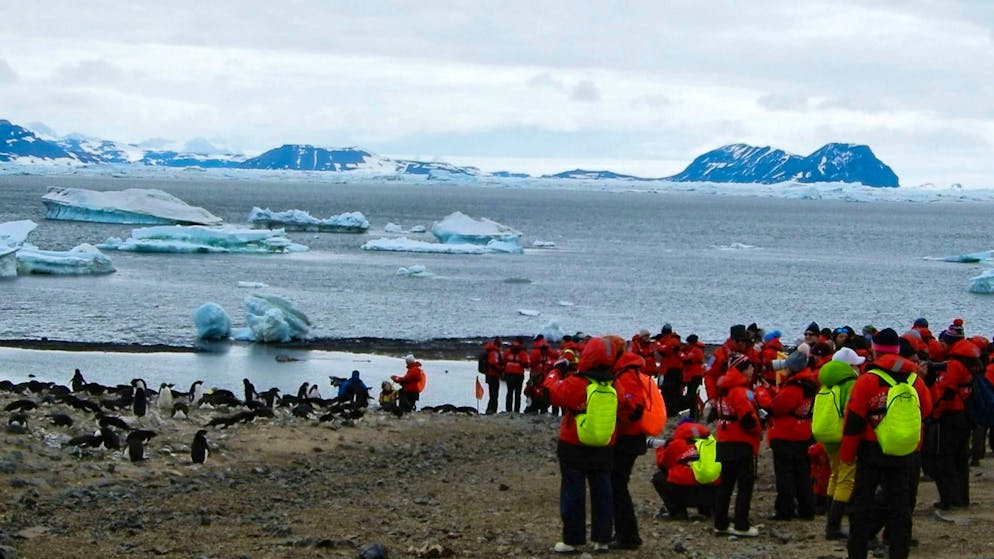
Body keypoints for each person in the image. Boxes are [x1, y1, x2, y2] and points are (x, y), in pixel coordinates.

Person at [841, 327, 932, 559]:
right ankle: (898, 552)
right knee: (900, 508)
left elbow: (853, 422)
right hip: (904, 451)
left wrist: (847, 456)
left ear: (875, 351)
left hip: (871, 450)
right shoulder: (915, 380)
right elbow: (926, 411)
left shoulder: (867, 380)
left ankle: (857, 552)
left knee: (861, 507)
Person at [545, 336, 622, 554]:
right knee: (603, 492)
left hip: (574, 445)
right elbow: (625, 405)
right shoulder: (615, 383)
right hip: (605, 445)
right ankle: (602, 538)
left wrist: (556, 370)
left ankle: (572, 539)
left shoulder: (578, 383)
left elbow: (552, 391)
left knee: (573, 493)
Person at [713, 352, 763, 537]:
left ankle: (721, 522)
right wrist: (758, 432)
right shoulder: (739, 391)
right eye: (750, 367)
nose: (752, 370)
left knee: (725, 484)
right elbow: (747, 420)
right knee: (744, 485)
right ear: (742, 370)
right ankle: (741, 524)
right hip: (741, 442)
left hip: (724, 440)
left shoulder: (724, 389)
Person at [767, 350, 819, 521]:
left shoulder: (794, 387)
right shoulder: (809, 385)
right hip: (803, 432)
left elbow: (777, 408)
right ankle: (807, 509)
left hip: (786, 434)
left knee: (785, 474)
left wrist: (768, 397)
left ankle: (785, 510)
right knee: (802, 473)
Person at [931, 338, 980, 509]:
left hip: (952, 417)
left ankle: (948, 499)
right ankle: (961, 498)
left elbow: (949, 393)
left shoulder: (953, 366)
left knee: (944, 459)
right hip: (965, 417)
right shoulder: (972, 368)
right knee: (960, 459)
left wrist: (935, 414)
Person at [609, 345, 649, 550]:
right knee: (617, 484)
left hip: (628, 438)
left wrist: (616, 419)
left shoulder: (626, 375)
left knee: (617, 484)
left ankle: (628, 536)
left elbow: (635, 410)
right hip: (631, 438)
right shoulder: (628, 371)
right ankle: (625, 534)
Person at [819, 352, 863, 540]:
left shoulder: (828, 382)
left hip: (827, 435)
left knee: (834, 474)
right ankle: (833, 526)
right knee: (846, 478)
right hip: (842, 436)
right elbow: (851, 413)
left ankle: (830, 519)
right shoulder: (850, 384)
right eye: (856, 364)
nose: (859, 368)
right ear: (849, 367)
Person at [651, 419, 717, 520]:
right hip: (711, 492)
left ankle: (678, 512)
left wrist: (661, 448)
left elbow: (663, 465)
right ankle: (707, 510)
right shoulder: (711, 442)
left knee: (659, 478)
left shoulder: (677, 444)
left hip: (685, 492)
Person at [680, 334, 706, 418]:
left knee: (690, 396)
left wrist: (680, 353)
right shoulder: (695, 350)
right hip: (694, 376)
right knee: (693, 396)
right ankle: (694, 414)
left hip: (695, 376)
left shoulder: (696, 351)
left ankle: (694, 413)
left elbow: (686, 358)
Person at [502, 338, 530, 413]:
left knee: (509, 393)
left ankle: (508, 410)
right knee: (518, 394)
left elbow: (503, 361)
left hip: (509, 374)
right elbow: (526, 364)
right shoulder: (522, 352)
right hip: (519, 375)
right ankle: (516, 410)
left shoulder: (508, 351)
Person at [482, 337, 504, 414]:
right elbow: (493, 363)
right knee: (494, 394)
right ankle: (492, 409)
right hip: (493, 375)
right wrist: (501, 369)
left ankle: (491, 409)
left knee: (492, 393)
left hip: (489, 375)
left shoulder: (490, 351)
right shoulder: (494, 352)